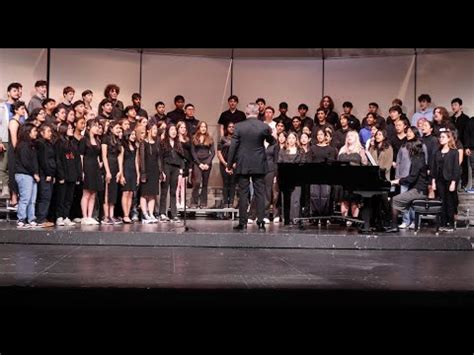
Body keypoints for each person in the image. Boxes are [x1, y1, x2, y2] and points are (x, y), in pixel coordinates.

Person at [226, 103, 276, 231]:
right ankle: (260, 221)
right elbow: (273, 141)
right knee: (260, 193)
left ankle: (242, 222)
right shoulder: (263, 127)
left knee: (243, 193)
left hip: (243, 163)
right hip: (259, 163)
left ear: (247, 113)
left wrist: (229, 164)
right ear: (258, 112)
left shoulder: (239, 127)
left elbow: (233, 147)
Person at [387, 141, 429, 233]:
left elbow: (412, 178)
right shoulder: (419, 158)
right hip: (417, 189)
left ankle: (394, 226)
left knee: (395, 200)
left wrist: (398, 181)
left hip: (418, 190)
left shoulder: (417, 161)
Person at [432, 131, 460, 232]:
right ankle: (443, 223)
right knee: (442, 201)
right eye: (440, 137)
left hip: (449, 180)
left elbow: (456, 168)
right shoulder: (437, 152)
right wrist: (434, 181)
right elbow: (434, 168)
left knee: (450, 202)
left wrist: (453, 182)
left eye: (443, 137)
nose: (441, 139)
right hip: (440, 180)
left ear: (449, 139)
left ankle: (451, 223)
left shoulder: (454, 152)